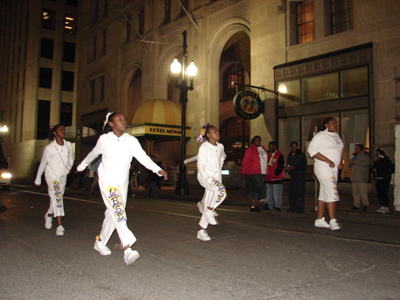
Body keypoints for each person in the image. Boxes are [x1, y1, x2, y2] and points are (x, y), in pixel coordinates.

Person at [76, 112, 168, 266]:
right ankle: (127, 249)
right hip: (107, 180)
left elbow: (143, 157)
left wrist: (157, 169)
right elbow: (93, 154)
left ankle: (100, 242)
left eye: (124, 119)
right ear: (111, 124)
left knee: (114, 213)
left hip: (122, 182)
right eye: (119, 119)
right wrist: (81, 166)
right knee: (119, 210)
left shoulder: (131, 140)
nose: (123, 121)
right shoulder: (104, 139)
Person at [34, 124, 74, 236]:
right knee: (57, 196)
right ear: (55, 133)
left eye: (63, 129)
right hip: (51, 174)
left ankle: (49, 214)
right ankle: (60, 226)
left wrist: (67, 170)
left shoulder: (69, 145)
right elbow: (43, 163)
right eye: (60, 129)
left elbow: (71, 159)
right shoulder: (49, 148)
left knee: (58, 197)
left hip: (62, 175)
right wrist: (38, 178)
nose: (63, 131)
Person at [308, 117, 343, 230]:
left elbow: (338, 150)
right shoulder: (320, 136)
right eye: (332, 123)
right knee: (332, 192)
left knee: (324, 193)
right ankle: (333, 221)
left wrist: (340, 161)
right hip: (323, 167)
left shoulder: (336, 136)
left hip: (334, 168)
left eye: (336, 123)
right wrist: (327, 160)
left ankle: (319, 219)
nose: (335, 125)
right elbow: (312, 151)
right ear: (326, 125)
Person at [196, 123, 227, 241]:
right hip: (206, 177)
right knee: (221, 192)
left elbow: (223, 156)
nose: (217, 133)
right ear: (208, 135)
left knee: (210, 200)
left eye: (217, 131)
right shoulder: (204, 147)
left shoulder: (220, 147)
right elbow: (201, 166)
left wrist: (220, 166)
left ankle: (201, 230)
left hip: (216, 178)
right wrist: (208, 179)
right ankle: (210, 211)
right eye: (214, 131)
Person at [241, 136, 268, 212]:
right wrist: (243, 172)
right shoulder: (250, 150)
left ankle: (255, 205)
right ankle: (255, 203)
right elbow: (245, 161)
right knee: (258, 186)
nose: (258, 141)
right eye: (256, 140)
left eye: (259, 140)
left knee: (256, 188)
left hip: (263, 171)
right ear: (253, 142)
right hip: (254, 171)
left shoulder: (263, 149)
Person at [286, 141, 307, 213]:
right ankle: (293, 207)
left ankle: (300, 207)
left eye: (295, 146)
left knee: (299, 192)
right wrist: (288, 168)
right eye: (292, 146)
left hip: (300, 176)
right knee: (292, 192)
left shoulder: (301, 155)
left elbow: (303, 166)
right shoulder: (290, 155)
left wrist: (294, 167)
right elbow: (288, 164)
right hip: (293, 176)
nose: (293, 147)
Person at [348, 144, 371, 211]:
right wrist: (351, 163)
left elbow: (367, 164)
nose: (356, 150)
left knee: (363, 192)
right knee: (355, 192)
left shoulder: (365, 156)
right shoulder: (354, 156)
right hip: (354, 177)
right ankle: (356, 204)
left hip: (361, 177)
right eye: (355, 149)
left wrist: (356, 162)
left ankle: (365, 204)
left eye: (357, 148)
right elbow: (349, 164)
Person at [263, 141, 284, 211]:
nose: (269, 147)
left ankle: (278, 206)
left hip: (276, 178)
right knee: (269, 193)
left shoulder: (279, 155)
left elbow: (280, 167)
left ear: (274, 146)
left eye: (270, 146)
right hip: (269, 178)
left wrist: (275, 174)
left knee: (277, 193)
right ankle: (269, 204)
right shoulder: (269, 155)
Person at [372, 148, 393, 214]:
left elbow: (385, 168)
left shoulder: (386, 160)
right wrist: (373, 170)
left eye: (379, 153)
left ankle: (386, 206)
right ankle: (382, 206)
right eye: (377, 153)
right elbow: (373, 168)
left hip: (384, 179)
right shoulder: (377, 161)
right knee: (379, 193)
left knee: (384, 193)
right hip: (378, 179)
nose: (378, 154)